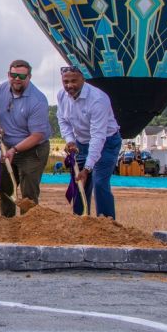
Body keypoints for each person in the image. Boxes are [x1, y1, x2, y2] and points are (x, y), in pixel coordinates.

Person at [0, 59, 51, 217]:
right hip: (7, 146)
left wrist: (15, 149)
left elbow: (37, 135)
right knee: (5, 189)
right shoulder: (1, 89)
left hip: (32, 150)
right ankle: (7, 224)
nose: (17, 79)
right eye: (13, 75)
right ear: (8, 75)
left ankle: (28, 230)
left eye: (22, 76)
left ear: (29, 77)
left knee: (28, 194)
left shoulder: (38, 100)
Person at [57, 65, 122, 219]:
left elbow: (98, 136)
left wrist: (87, 168)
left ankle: (106, 223)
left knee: (99, 182)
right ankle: (80, 220)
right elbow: (62, 120)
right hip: (81, 143)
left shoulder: (98, 99)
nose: (69, 85)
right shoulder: (62, 96)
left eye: (74, 81)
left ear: (83, 79)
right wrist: (70, 140)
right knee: (79, 182)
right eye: (66, 81)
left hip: (106, 142)